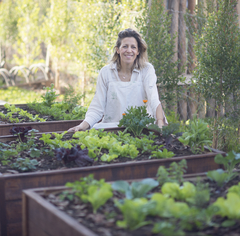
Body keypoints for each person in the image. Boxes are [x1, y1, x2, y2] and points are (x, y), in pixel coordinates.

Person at [68, 28, 168, 132]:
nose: (129, 50)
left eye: (133, 47)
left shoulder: (146, 70)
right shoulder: (106, 72)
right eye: (125, 46)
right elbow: (97, 106)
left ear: (138, 51)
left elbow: (153, 99)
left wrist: (160, 122)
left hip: (139, 129)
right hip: (111, 129)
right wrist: (82, 126)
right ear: (118, 49)